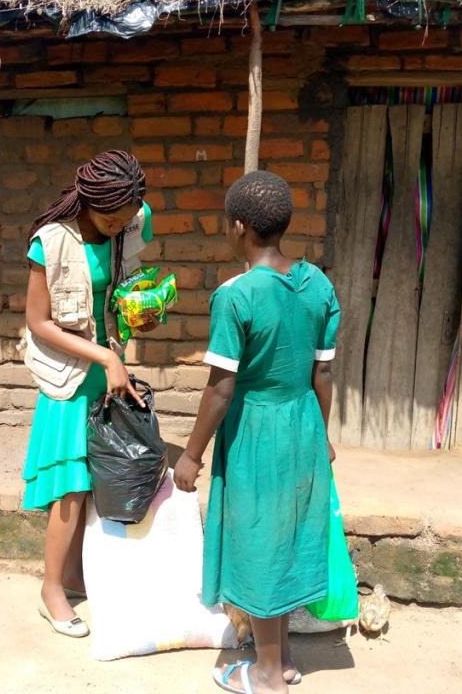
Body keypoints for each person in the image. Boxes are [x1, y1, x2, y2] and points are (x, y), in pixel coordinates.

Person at [174, 171, 340, 694]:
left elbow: (221, 389)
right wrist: (324, 434)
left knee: (261, 544)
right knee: (285, 538)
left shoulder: (235, 296)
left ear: (239, 226)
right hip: (304, 424)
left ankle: (268, 677)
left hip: (256, 430)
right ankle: (283, 657)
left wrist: (191, 457)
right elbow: (324, 373)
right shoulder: (318, 284)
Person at [22, 150, 155, 638]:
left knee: (98, 482)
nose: (120, 225)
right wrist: (103, 357)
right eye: (110, 217)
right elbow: (38, 323)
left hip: (108, 369)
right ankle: (51, 589)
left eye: (128, 216)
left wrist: (143, 309)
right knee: (71, 489)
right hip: (70, 380)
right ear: (88, 202)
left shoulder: (133, 220)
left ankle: (77, 576)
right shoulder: (51, 242)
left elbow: (124, 285)